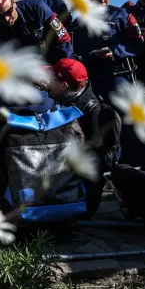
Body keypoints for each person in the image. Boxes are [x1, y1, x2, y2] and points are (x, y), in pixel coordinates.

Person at [48, 58, 121, 217]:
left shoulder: (97, 114)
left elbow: (97, 163)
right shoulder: (67, 100)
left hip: (79, 197)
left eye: (51, 79)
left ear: (64, 85)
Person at [72, 0, 143, 102]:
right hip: (89, 77)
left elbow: (138, 44)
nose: (102, 1)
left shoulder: (121, 16)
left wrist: (114, 51)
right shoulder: (78, 23)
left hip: (116, 74)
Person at [0, 0, 73, 64]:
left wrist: (66, 66)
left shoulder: (38, 9)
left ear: (14, 3)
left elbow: (63, 38)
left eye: (8, 12)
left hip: (52, 61)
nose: (6, 19)